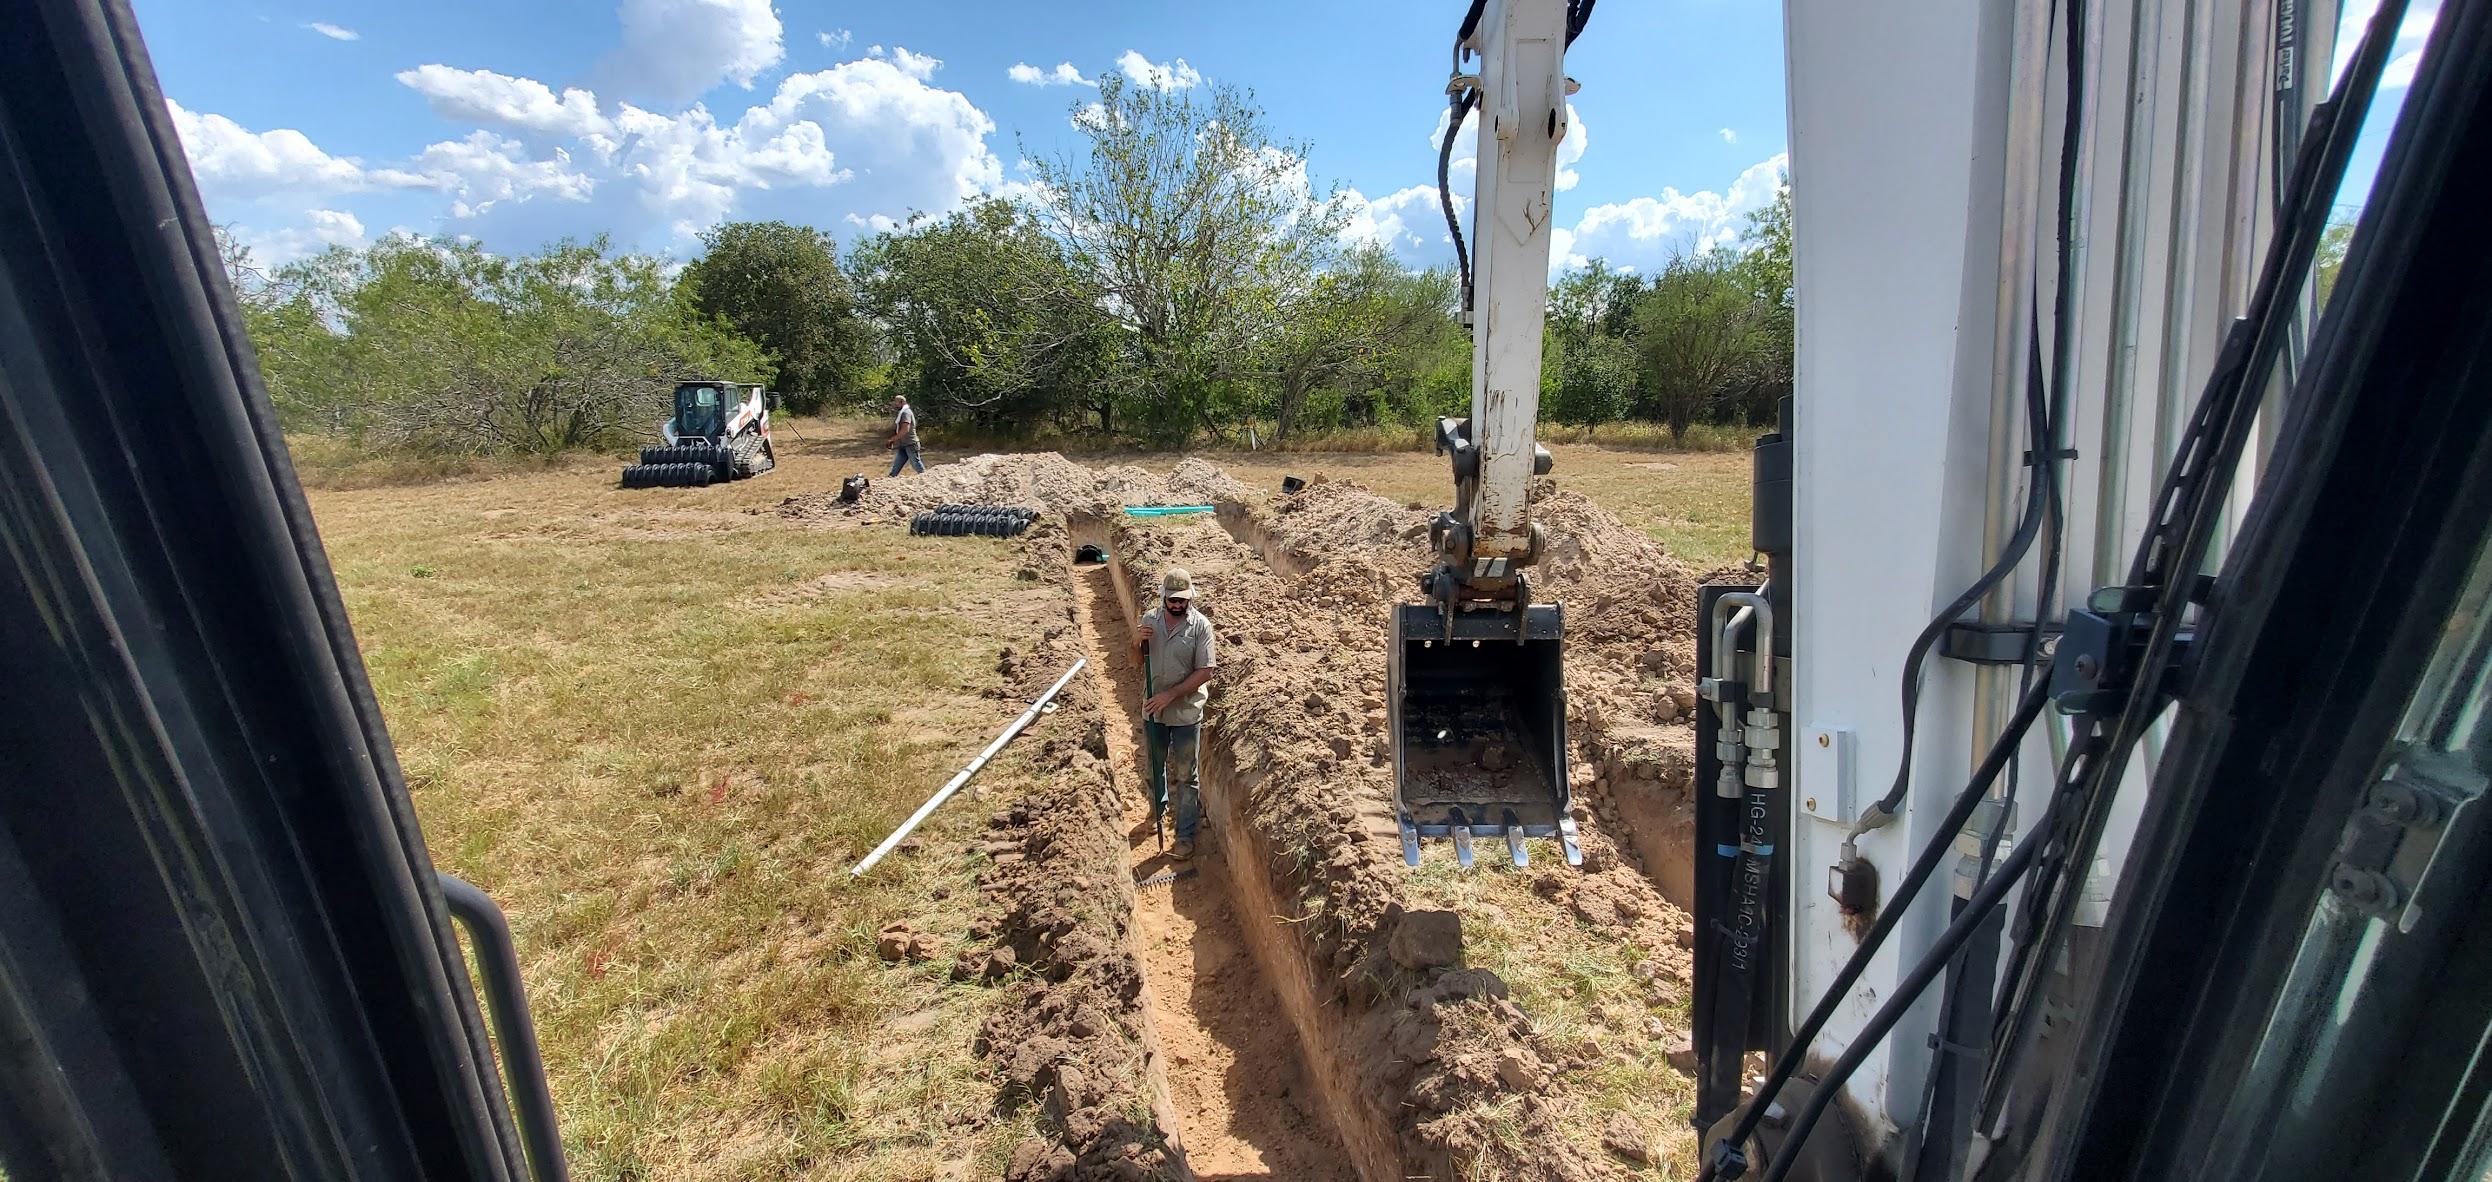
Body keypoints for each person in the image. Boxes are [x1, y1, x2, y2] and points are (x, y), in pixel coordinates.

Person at [1135, 568, 1218, 859]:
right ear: (1164, 597)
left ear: (1190, 598)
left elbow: (1205, 671)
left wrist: (1169, 695)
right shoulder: (1150, 621)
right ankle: (1157, 812)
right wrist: (1136, 642)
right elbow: (1135, 662)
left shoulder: (1201, 627)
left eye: (1183, 600)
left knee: (1186, 775)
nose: (1178, 604)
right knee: (1153, 768)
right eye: (1173, 600)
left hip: (1185, 714)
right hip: (1153, 712)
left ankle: (1184, 834)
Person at [885, 394, 924, 476]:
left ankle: (927, 478)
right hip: (903, 444)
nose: (895, 405)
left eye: (896, 402)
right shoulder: (902, 412)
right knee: (896, 466)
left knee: (916, 464)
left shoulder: (906, 412)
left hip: (911, 443)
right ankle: (891, 478)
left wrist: (893, 439)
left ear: (902, 402)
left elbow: (905, 429)